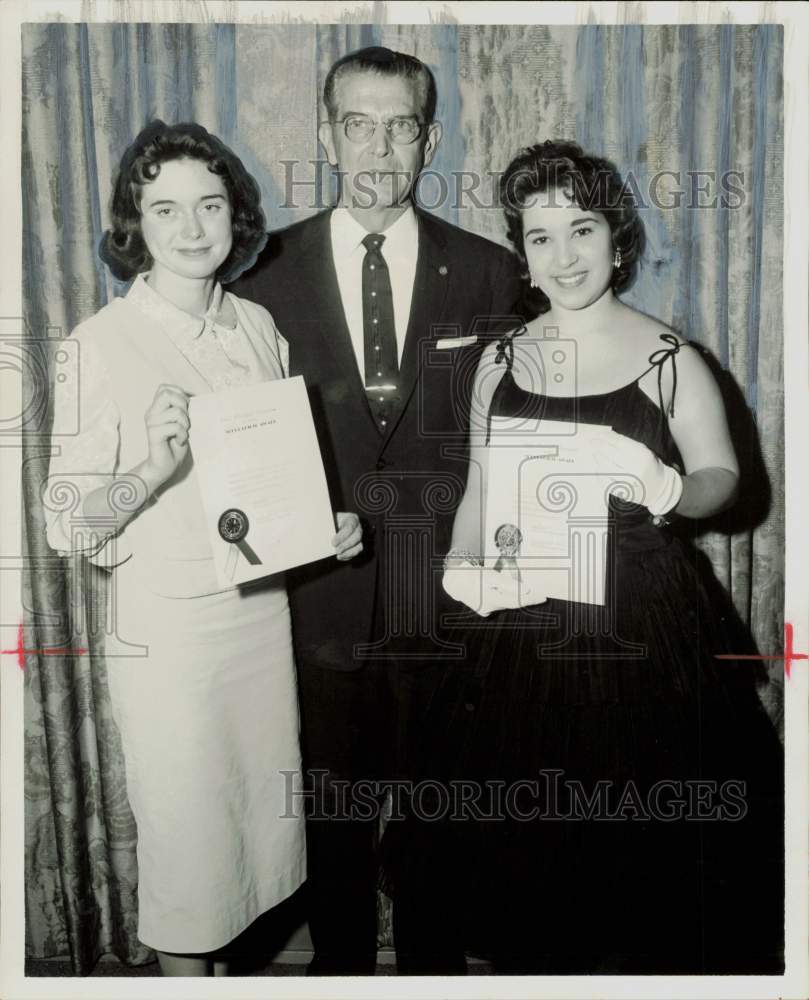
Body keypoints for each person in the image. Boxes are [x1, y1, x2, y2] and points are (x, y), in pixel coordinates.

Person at [384, 140, 785, 974]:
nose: (562, 256)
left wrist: (671, 489)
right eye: (539, 237)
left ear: (615, 236)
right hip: (518, 627)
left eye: (580, 230)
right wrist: (461, 573)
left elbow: (725, 479)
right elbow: (479, 490)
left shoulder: (669, 356)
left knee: (641, 857)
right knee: (515, 847)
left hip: (636, 623)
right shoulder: (498, 357)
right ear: (522, 253)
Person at [43, 120, 363, 977]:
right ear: (133, 225)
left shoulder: (257, 326)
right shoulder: (97, 343)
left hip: (260, 626)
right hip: (173, 644)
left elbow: (277, 484)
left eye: (209, 204)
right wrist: (150, 465)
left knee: (250, 853)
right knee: (191, 863)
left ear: (236, 215)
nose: (191, 228)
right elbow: (66, 523)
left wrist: (327, 530)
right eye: (164, 209)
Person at [233, 46, 523, 974]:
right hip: (318, 597)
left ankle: (433, 973)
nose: (379, 146)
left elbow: (515, 434)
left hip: (443, 594)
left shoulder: (488, 273)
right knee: (331, 811)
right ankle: (343, 973)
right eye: (358, 124)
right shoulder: (259, 277)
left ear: (427, 139)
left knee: (438, 809)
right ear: (326, 134)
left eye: (400, 126)